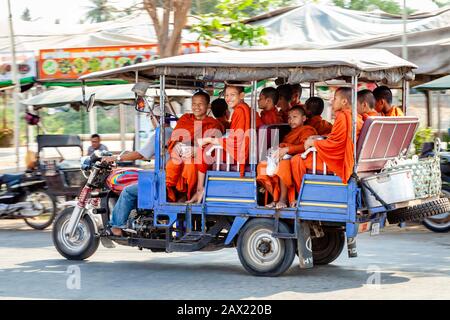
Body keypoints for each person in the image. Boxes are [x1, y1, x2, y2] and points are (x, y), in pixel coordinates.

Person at [104, 116, 174, 237]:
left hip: (165, 181)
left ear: (157, 118)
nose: (151, 121)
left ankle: (116, 226)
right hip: (169, 177)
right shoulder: (172, 132)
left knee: (127, 192)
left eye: (151, 118)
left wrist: (116, 158)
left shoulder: (161, 133)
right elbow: (145, 155)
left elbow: (141, 154)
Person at [290, 87, 362, 194]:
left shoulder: (343, 116)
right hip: (342, 157)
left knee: (296, 160)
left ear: (344, 101)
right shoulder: (356, 116)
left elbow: (334, 144)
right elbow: (337, 138)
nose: (332, 101)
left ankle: (302, 194)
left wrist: (313, 142)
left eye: (335, 98)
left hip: (338, 162)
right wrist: (321, 137)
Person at [189, 84, 252, 203]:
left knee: (203, 152)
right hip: (240, 149)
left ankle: (199, 190)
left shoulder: (240, 110)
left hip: (239, 154)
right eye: (227, 95)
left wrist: (209, 140)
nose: (229, 98)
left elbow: (236, 141)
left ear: (242, 95)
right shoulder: (241, 109)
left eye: (232, 95)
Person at [165, 91, 224, 203]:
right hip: (181, 153)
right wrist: (177, 145)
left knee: (190, 167)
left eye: (200, 104)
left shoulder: (213, 124)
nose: (196, 107)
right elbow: (174, 138)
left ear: (208, 106)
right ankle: (171, 193)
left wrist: (195, 150)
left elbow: (212, 147)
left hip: (198, 158)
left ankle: (187, 195)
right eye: (194, 104)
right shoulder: (185, 119)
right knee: (171, 164)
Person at [257, 106, 316, 209]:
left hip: (297, 159)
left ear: (304, 119)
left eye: (295, 117)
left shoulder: (307, 130)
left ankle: (283, 199)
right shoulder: (290, 133)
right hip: (282, 156)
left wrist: (287, 150)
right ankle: (274, 198)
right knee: (261, 167)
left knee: (283, 165)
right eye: (289, 117)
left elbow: (305, 146)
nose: (291, 120)